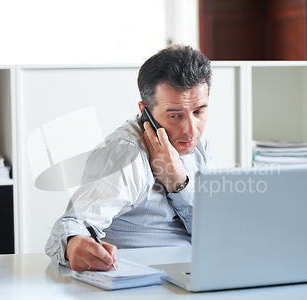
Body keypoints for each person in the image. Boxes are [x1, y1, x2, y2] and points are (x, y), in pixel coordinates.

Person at [45, 45, 213, 271]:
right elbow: (72, 225)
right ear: (146, 111)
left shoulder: (199, 148)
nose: (191, 129)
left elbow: (211, 232)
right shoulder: (126, 153)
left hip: (195, 271)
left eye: (199, 112)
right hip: (143, 281)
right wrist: (74, 244)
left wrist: (178, 184)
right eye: (175, 115)